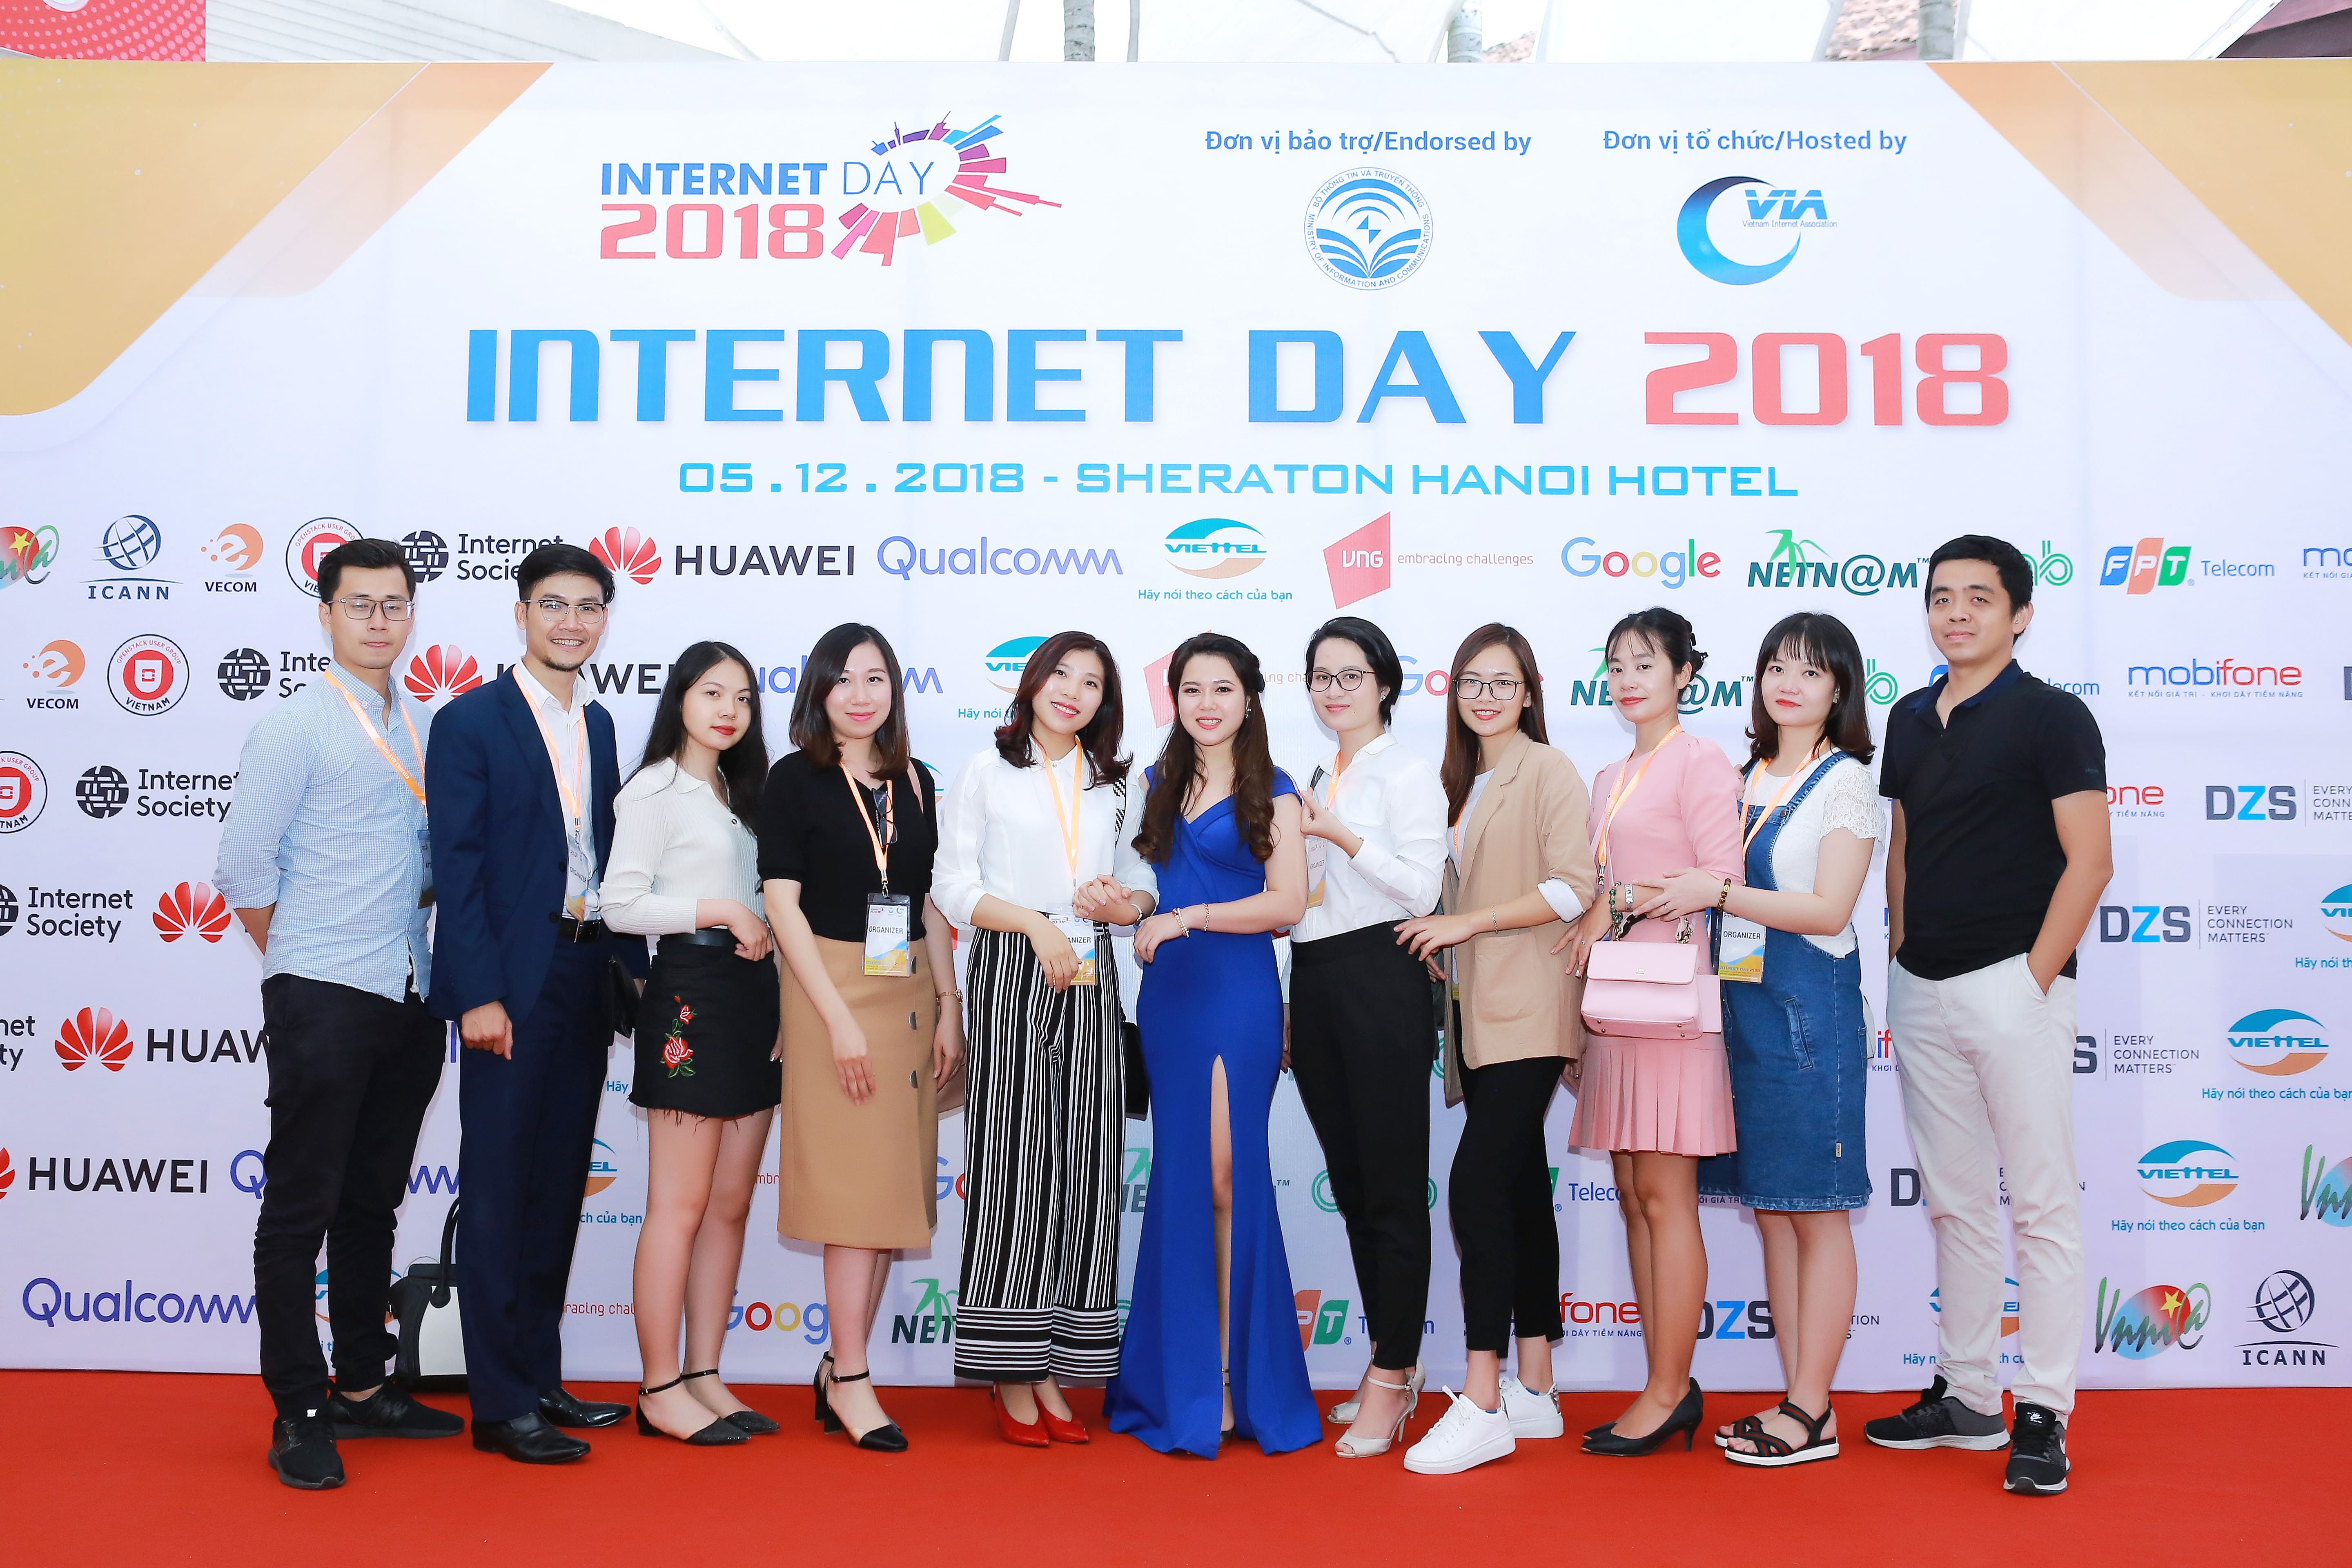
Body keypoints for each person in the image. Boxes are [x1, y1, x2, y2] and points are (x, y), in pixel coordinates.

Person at [217, 538, 464, 1490]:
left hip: (410, 991)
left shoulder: (424, 727)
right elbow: (242, 868)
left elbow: (427, 865)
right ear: (325, 614)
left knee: (371, 1202)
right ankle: (298, 1408)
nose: (378, 620)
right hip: (325, 992)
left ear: (411, 615)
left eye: (394, 604)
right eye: (359, 604)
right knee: (301, 1208)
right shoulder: (296, 725)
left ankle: (363, 1384)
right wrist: (303, 963)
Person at [1865, 535, 2109, 1497]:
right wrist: (1899, 954)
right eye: (1941, 597)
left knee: (2041, 1206)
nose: (1957, 612)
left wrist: (2033, 978)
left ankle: (2043, 1409)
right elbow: (1903, 847)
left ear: (2021, 615)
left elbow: (2090, 861)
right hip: (1921, 987)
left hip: (2016, 985)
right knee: (1956, 1204)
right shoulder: (1908, 717)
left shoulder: (2054, 716)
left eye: (1978, 597)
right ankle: (1969, 1396)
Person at [426, 541, 645, 1465]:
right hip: (509, 987)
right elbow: (459, 870)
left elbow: (604, 858)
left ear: (605, 620)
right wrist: (478, 994)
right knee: (499, 1189)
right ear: (521, 613)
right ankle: (500, 1402)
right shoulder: (469, 721)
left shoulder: (599, 724)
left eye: (588, 607)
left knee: (557, 1187)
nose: (571, 622)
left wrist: (629, 970)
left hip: (584, 974)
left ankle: (540, 1375)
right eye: (553, 604)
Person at [1649, 613, 1881, 1468]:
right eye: (1777, 667)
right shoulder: (1744, 776)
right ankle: (1797, 1401)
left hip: (1810, 1019)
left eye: (1811, 672)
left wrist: (1716, 892)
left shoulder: (1845, 782)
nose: (1789, 684)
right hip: (1743, 1017)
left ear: (1840, 689)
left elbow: (1828, 909)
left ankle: (1813, 1409)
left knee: (1817, 1214)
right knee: (1777, 1214)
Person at [933, 631, 1158, 1445]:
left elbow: (1144, 879)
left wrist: (1124, 904)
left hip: (1092, 971)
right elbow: (952, 886)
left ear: (1106, 702)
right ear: (1032, 682)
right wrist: (1035, 925)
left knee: (1087, 1170)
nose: (1072, 691)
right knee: (1012, 1165)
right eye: (1061, 673)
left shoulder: (1116, 784)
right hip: (1010, 964)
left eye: (1091, 682)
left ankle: (1059, 1366)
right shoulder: (986, 770)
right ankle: (1010, 1370)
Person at [1104, 633, 1317, 1458]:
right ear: (1176, 699)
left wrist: (1186, 917)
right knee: (1188, 1180)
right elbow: (1142, 888)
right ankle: (1184, 1382)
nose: (1207, 704)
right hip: (1171, 999)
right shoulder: (1154, 783)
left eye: (1222, 688)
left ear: (1249, 697)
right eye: (1192, 689)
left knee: (1231, 1178)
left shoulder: (1277, 788)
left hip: (1239, 993)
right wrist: (1126, 905)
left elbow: (1288, 902)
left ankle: (1236, 1377)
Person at [758, 623, 965, 1453]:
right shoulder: (794, 778)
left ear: (894, 692)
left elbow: (928, 903)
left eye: (875, 677)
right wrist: (836, 1019)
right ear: (818, 690)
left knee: (887, 1195)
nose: (859, 693)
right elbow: (781, 904)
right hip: (828, 993)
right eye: (842, 678)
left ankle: (840, 1367)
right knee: (852, 1197)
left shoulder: (915, 779)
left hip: (907, 990)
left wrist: (949, 1003)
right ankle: (851, 1376)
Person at [1394, 624, 1595, 1475]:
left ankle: (1482, 1399)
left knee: (1476, 1188)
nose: (1485, 696)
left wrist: (1465, 923)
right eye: (1472, 682)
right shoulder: (1459, 782)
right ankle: (1537, 1387)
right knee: (1515, 1192)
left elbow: (1574, 886)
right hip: (1476, 1015)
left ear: (1529, 691)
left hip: (1532, 1005)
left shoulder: (1547, 769)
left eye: (1502, 682)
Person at [1561, 607, 1743, 1458]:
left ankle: (1671, 1389)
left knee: (1667, 1199)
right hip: (1616, 1006)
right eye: (1616, 665)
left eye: (1645, 663)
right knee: (1635, 1195)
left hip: (1672, 1006)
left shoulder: (1700, 760)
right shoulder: (1609, 776)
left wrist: (1623, 900)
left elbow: (1721, 878)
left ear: (1683, 675)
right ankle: (1662, 1383)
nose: (1628, 679)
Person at [602, 642, 780, 1447]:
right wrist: (718, 910)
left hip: (755, 998)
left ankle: (705, 1373)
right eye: (713, 693)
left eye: (742, 698)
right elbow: (619, 905)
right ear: (680, 698)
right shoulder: (653, 790)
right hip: (689, 997)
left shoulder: (746, 792)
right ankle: (659, 1385)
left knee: (730, 1206)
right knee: (678, 1207)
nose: (729, 711)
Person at [1289, 617, 1447, 1460]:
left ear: (1385, 684)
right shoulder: (1320, 773)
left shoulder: (1408, 774)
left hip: (1383, 974)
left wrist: (1341, 834)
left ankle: (1393, 1373)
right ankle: (1393, 1358)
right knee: (1352, 1185)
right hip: (1316, 977)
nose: (1335, 690)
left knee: (1390, 1186)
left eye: (1352, 675)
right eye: (1322, 676)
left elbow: (1422, 889)